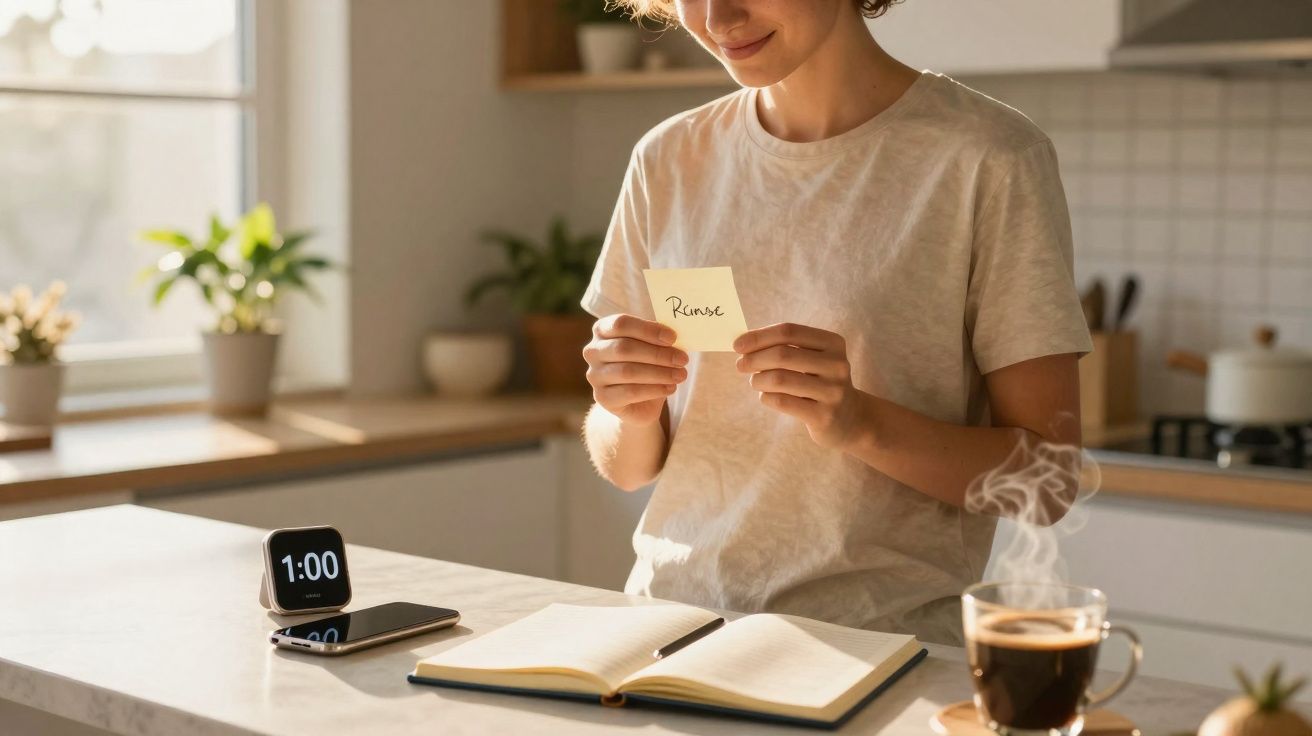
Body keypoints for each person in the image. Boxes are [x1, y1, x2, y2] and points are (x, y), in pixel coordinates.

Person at [578, 0, 1091, 645]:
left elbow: (1045, 483)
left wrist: (859, 422)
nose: (718, 16)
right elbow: (627, 466)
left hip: (877, 650)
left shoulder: (989, 158)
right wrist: (625, 408)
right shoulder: (669, 158)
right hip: (669, 628)